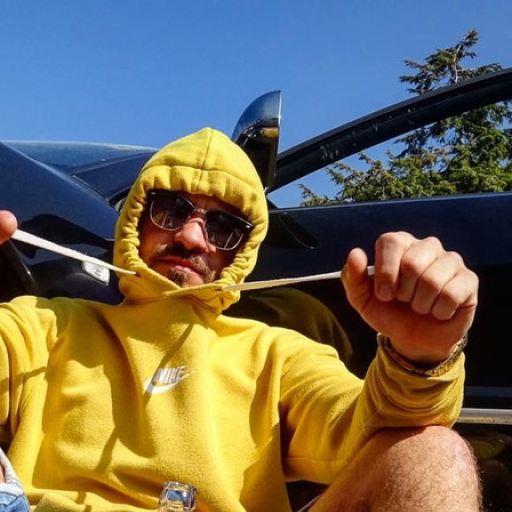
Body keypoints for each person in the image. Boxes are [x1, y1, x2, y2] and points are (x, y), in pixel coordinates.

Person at [0, 127, 481, 511]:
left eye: (223, 226)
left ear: (243, 251)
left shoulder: (277, 354)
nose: (192, 237)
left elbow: (371, 431)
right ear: (136, 219)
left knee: (436, 456)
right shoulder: (42, 326)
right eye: (171, 209)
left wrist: (420, 356)